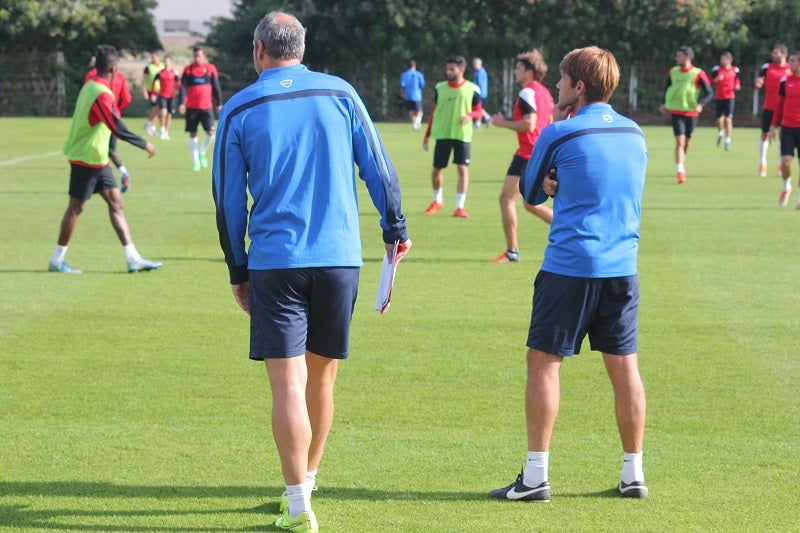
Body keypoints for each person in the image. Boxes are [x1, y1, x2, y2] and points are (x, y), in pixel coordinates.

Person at [212, 11, 410, 532]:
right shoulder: (341, 93)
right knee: (322, 381)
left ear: (259, 49)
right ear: (301, 47)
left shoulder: (240, 107)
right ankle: (309, 480)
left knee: (287, 387)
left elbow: (228, 200)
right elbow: (379, 166)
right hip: (340, 257)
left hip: (277, 262)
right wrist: (395, 229)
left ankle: (299, 502)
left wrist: (238, 268)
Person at [489, 46, 648, 502]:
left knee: (544, 364)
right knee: (625, 371)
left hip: (571, 266)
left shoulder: (559, 132)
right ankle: (633, 472)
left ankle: (536, 477)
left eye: (561, 80)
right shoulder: (635, 133)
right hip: (623, 269)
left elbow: (531, 191)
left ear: (578, 87)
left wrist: (556, 181)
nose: (556, 87)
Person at [50, 45, 162, 274]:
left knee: (116, 203)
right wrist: (144, 143)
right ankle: (56, 260)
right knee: (76, 208)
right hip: (86, 158)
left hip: (97, 158)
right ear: (112, 68)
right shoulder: (101, 93)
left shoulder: (90, 85)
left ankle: (133, 258)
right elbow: (116, 127)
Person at [490, 49, 554, 263]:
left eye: (518, 67)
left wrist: (502, 123)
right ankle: (570, 229)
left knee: (506, 199)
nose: (515, 71)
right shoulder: (545, 93)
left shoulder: (527, 93)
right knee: (529, 203)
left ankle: (512, 253)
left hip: (528, 154)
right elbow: (551, 122)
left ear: (529, 71)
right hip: (540, 153)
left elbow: (530, 124)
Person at [423, 55, 483, 218]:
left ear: (462, 69)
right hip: (442, 134)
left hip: (462, 135)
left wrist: (470, 116)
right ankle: (437, 201)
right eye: (447, 68)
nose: (448, 72)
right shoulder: (439, 88)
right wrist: (427, 135)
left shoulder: (472, 89)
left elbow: (479, 111)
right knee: (436, 171)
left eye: (452, 69)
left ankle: (459, 207)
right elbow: (434, 112)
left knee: (462, 169)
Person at [658, 45, 712, 184]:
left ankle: (681, 160)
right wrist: (664, 103)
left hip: (691, 113)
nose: (677, 58)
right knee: (680, 142)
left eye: (679, 56)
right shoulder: (673, 72)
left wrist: (700, 104)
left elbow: (709, 92)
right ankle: (680, 171)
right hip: (676, 111)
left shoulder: (698, 73)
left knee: (687, 142)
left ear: (687, 57)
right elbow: (666, 88)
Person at [84, 54, 133, 192]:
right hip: (113, 119)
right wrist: (116, 110)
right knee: (110, 150)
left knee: (93, 150)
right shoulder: (120, 76)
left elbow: (88, 95)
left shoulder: (91, 76)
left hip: (96, 121)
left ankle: (95, 181)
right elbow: (127, 99)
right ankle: (123, 172)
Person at [179, 46, 223, 172]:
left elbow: (216, 87)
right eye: (195, 56)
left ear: (204, 56)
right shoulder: (188, 70)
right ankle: (195, 162)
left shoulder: (210, 69)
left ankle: (201, 152)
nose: (197, 58)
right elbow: (183, 88)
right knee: (193, 134)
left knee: (211, 134)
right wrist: (182, 103)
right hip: (192, 108)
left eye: (199, 56)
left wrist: (219, 103)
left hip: (206, 107)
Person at [755, 44, 792, 177]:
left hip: (785, 109)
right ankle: (762, 162)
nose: (773, 55)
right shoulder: (767, 67)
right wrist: (759, 82)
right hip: (769, 107)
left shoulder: (790, 68)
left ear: (784, 54)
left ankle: (779, 165)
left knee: (783, 135)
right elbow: (760, 78)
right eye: (773, 52)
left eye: (776, 53)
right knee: (765, 134)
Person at [770, 50, 800, 207]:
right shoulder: (785, 81)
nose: (790, 64)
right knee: (785, 163)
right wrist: (773, 126)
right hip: (787, 127)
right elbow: (779, 104)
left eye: (793, 61)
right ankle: (786, 186)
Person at [710, 51, 740, 151]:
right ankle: (721, 133)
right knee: (719, 121)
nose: (722, 61)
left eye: (724, 59)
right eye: (721, 59)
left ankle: (727, 141)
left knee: (728, 119)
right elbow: (709, 81)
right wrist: (716, 79)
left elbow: (737, 81)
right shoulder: (717, 69)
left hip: (730, 97)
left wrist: (737, 86)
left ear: (730, 60)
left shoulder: (735, 70)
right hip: (719, 97)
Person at [150, 56, 181, 140]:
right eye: (165, 61)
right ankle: (162, 129)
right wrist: (152, 93)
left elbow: (178, 83)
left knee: (169, 115)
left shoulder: (174, 72)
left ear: (170, 62)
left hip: (172, 96)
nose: (167, 63)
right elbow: (153, 82)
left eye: (168, 61)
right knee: (163, 113)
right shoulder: (160, 72)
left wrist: (180, 91)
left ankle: (166, 133)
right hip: (162, 95)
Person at [142, 50, 165, 137]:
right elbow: (144, 80)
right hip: (152, 91)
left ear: (158, 57)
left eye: (154, 56)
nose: (153, 58)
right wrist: (144, 91)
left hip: (162, 91)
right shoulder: (148, 67)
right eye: (152, 57)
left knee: (158, 109)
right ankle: (148, 123)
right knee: (156, 108)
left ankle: (152, 126)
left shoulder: (163, 66)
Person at [400, 59, 425, 130]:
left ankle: (415, 124)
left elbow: (402, 86)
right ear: (414, 66)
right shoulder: (419, 75)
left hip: (408, 95)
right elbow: (422, 85)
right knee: (420, 111)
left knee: (411, 111)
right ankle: (417, 121)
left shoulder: (404, 75)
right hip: (417, 96)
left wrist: (402, 94)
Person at [472, 57, 493, 127]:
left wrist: (477, 92)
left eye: (475, 63)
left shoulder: (480, 72)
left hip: (480, 93)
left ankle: (486, 118)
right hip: (481, 92)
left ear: (479, 64)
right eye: (474, 63)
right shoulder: (480, 71)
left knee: (478, 108)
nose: (474, 65)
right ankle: (482, 121)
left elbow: (480, 84)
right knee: (479, 108)